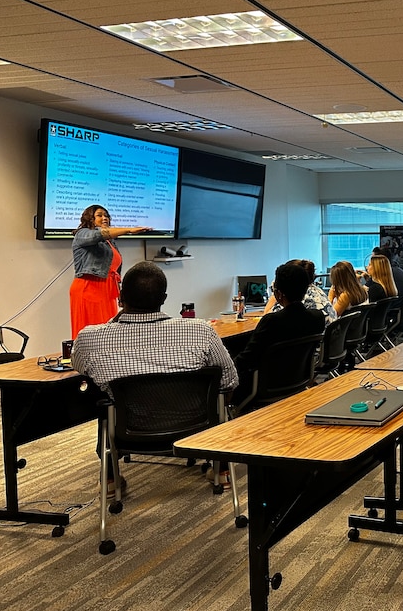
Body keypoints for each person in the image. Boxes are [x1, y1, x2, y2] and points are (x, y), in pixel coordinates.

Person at [72, 261, 238, 492]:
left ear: (120, 297)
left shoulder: (91, 338)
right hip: (198, 428)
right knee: (220, 400)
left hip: (129, 433)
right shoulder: (200, 330)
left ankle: (110, 479)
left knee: (104, 403)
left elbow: (79, 368)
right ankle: (221, 470)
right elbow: (230, 380)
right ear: (164, 298)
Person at [234, 262, 325, 401]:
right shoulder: (317, 318)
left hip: (261, 386)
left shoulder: (271, 322)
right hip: (299, 381)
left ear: (278, 293)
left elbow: (246, 360)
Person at [70, 204, 151, 338]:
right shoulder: (82, 233)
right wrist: (129, 230)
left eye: (106, 215)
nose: (105, 218)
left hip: (107, 290)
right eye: (99, 215)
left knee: (108, 333)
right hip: (89, 288)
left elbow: (114, 271)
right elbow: (98, 235)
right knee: (92, 334)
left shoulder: (109, 242)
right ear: (89, 218)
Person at [264, 259, 337, 324]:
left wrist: (277, 291)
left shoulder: (293, 299)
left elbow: (266, 318)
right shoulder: (317, 291)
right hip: (325, 338)